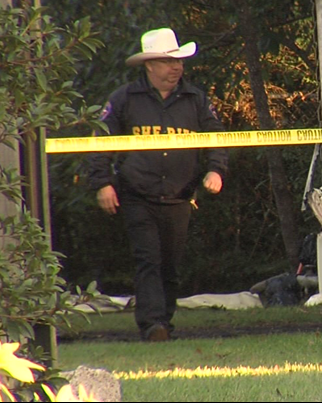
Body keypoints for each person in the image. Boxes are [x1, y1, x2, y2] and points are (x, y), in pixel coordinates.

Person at [87, 27, 229, 342]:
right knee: (148, 258)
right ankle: (153, 326)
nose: (176, 67)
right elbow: (100, 141)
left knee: (170, 265)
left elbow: (218, 137)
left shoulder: (196, 100)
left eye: (178, 61)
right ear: (149, 65)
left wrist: (216, 170)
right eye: (167, 61)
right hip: (138, 195)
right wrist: (102, 183)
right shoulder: (124, 99)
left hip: (179, 197)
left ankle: (164, 320)